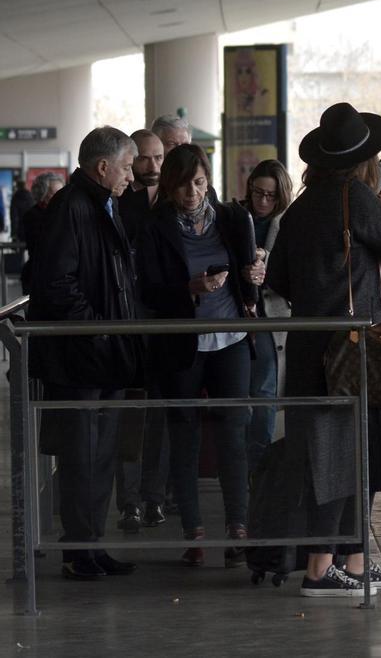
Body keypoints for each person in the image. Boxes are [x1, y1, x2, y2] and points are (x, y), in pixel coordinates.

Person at [265, 102, 381, 597]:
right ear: (365, 159)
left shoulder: (301, 206)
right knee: (357, 454)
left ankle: (352, 562)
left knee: (327, 454)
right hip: (357, 349)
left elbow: (279, 279)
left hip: (312, 346)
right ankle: (321, 570)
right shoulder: (358, 197)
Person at [136, 144, 260, 567]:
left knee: (233, 434)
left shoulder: (231, 218)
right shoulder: (155, 227)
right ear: (169, 185)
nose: (192, 191)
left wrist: (254, 277)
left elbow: (249, 272)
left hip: (231, 339)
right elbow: (147, 290)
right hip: (182, 340)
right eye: (184, 183)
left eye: (200, 181)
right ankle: (194, 532)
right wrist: (189, 289)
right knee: (184, 434)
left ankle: (238, 528)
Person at [28, 126, 142, 580]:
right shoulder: (73, 207)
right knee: (82, 458)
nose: (131, 177)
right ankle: (79, 550)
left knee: (100, 456)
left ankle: (91, 545)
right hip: (83, 359)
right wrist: (100, 331)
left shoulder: (99, 204)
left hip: (102, 355)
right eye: (128, 167)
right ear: (103, 167)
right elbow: (56, 283)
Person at [114, 128, 169, 533]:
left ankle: (156, 497)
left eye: (159, 157)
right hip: (129, 319)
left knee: (163, 415)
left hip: (166, 319)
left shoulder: (176, 199)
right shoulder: (118, 201)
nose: (152, 166)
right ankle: (129, 501)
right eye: (145, 158)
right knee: (131, 414)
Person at [238, 159, 293, 473]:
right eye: (257, 192)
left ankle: (257, 471)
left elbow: (295, 270)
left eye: (270, 196)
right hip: (238, 317)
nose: (262, 201)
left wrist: (265, 263)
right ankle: (239, 470)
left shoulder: (288, 223)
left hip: (271, 321)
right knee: (237, 398)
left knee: (264, 396)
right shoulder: (236, 215)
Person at [151, 114, 219, 204]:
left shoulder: (207, 190)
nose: (180, 150)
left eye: (185, 144)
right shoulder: (150, 183)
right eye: (172, 144)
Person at [18, 172, 65, 294]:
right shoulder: (32, 216)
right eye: (56, 193)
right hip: (39, 278)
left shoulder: (63, 213)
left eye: (62, 192)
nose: (61, 197)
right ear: (43, 194)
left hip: (59, 278)